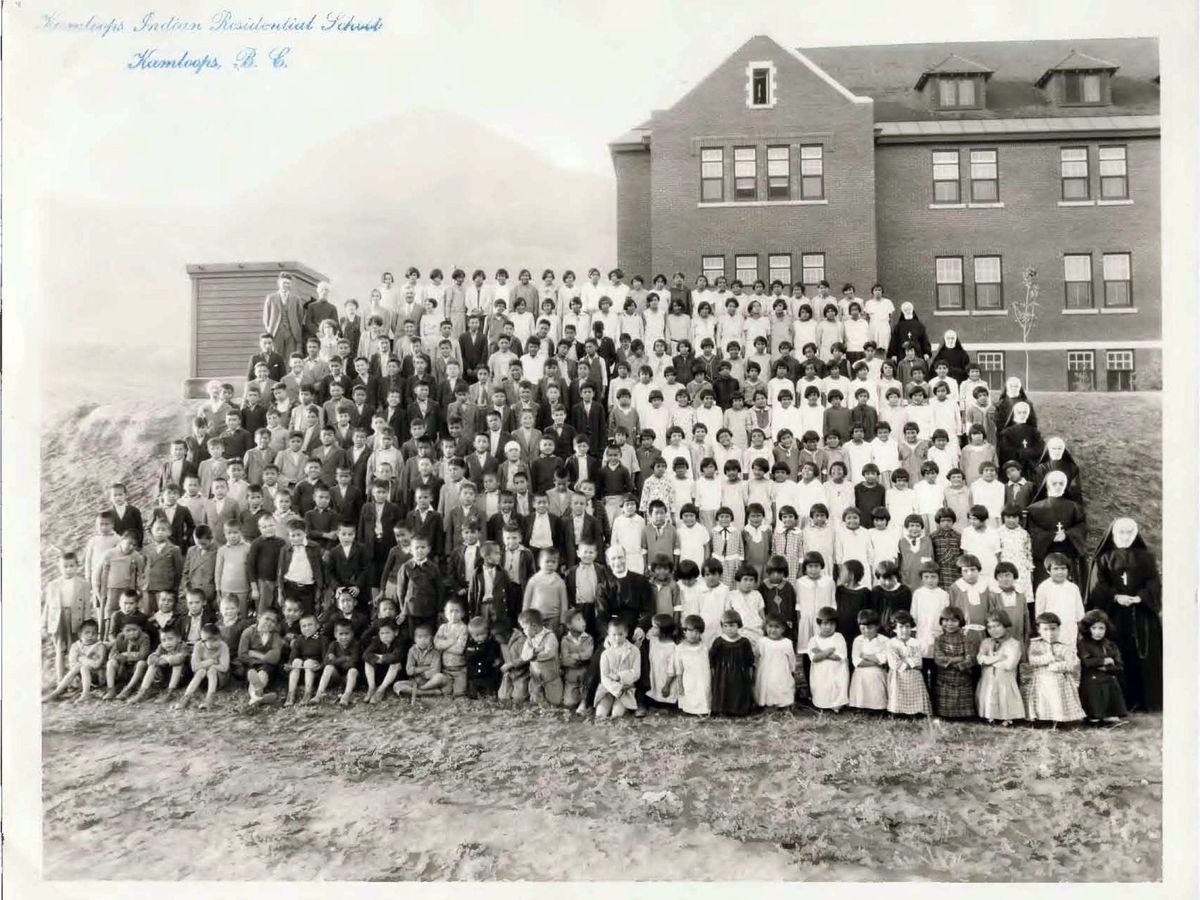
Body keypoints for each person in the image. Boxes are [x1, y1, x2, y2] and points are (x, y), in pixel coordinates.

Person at [1085, 517, 1161, 712]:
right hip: (1114, 614)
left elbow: (1153, 582)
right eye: (1121, 532)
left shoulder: (1146, 557)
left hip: (1140, 615)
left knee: (1140, 655)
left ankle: (1144, 701)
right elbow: (1098, 585)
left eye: (1129, 532)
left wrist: (1139, 598)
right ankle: (1119, 702)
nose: (1125, 536)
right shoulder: (1104, 557)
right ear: (1113, 534)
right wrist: (1116, 597)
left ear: (1135, 534)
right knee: (1117, 654)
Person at [1026, 471, 1087, 589]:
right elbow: (1031, 529)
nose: (1058, 486)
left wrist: (1068, 534)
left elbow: (1082, 526)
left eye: (1061, 483)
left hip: (1067, 550)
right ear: (1048, 485)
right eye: (1054, 483)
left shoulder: (1075, 507)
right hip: (1044, 552)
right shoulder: (1034, 509)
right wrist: (1050, 536)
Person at [1024, 612, 1085, 724]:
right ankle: (1042, 718)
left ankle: (1059, 719)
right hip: (1042, 678)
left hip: (1060, 679)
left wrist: (1057, 666)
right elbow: (1032, 660)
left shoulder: (1064, 646)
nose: (1050, 633)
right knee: (1043, 699)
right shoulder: (1035, 644)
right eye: (1045, 629)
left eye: (1053, 629)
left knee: (1057, 698)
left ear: (1058, 629)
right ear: (1039, 630)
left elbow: (1071, 664)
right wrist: (1049, 658)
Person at [1077, 609, 1129, 725]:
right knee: (1094, 688)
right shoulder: (1083, 644)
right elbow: (1086, 662)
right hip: (1092, 681)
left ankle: (1109, 713)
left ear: (1106, 629)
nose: (1098, 632)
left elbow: (1119, 666)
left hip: (1108, 678)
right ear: (1088, 628)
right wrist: (1104, 660)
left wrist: (1107, 668)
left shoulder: (1110, 645)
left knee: (1111, 683)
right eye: (1094, 628)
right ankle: (1094, 714)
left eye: (1101, 628)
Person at [975, 610, 1024, 725]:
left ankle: (1007, 719)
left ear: (1005, 625)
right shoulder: (986, 642)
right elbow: (980, 659)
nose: (994, 630)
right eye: (990, 627)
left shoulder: (1013, 644)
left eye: (997, 626)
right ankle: (990, 717)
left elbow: (1009, 664)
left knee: (1004, 697)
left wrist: (989, 661)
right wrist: (998, 658)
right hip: (988, 679)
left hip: (1005, 680)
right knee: (989, 696)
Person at [43, 618, 107, 703]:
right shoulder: (76, 646)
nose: (90, 636)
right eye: (87, 633)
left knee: (84, 667)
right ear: (80, 634)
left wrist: (82, 658)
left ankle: (85, 694)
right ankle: (56, 692)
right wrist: (84, 662)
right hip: (79, 676)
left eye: (94, 633)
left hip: (97, 677)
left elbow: (97, 665)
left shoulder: (99, 646)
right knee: (79, 666)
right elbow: (73, 664)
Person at [709, 610, 755, 717]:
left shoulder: (744, 642)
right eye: (726, 626)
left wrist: (750, 674)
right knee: (723, 690)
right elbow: (712, 659)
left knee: (738, 690)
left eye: (732, 625)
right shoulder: (719, 641)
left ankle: (739, 710)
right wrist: (714, 673)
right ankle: (722, 709)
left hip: (739, 673)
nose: (729, 629)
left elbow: (749, 660)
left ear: (739, 625)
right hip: (722, 674)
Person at [932, 606, 975, 719]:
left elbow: (970, 658)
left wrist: (961, 664)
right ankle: (944, 715)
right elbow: (939, 658)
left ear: (960, 622)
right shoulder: (939, 639)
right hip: (944, 678)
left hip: (962, 677)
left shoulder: (965, 639)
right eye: (946, 620)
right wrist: (959, 658)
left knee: (962, 699)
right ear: (941, 621)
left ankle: (963, 715)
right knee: (944, 704)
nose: (949, 624)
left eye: (954, 620)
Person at [885, 610, 931, 717]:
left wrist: (905, 661)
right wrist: (909, 662)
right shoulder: (891, 643)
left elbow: (919, 661)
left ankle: (915, 712)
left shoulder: (915, 642)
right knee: (898, 693)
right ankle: (898, 712)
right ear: (895, 628)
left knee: (915, 691)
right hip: (898, 675)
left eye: (907, 626)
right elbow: (894, 663)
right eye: (901, 627)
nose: (905, 630)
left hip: (914, 675)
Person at [594, 618, 641, 718]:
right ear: (608, 634)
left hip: (626, 689)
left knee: (617, 714)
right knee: (600, 714)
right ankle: (607, 702)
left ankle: (620, 706)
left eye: (620, 634)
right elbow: (604, 677)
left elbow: (636, 673)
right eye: (614, 635)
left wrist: (619, 677)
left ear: (626, 633)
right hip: (607, 689)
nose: (617, 638)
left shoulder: (634, 650)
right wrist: (616, 689)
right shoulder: (605, 653)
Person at [238, 608, 283, 706]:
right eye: (267, 619)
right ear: (258, 618)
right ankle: (258, 697)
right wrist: (264, 658)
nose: (269, 623)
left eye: (273, 621)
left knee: (263, 672)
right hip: (251, 664)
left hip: (267, 666)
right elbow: (242, 655)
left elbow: (275, 658)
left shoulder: (275, 636)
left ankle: (255, 698)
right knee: (252, 674)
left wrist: (256, 654)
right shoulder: (248, 632)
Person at [807, 607, 849, 711]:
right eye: (825, 624)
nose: (828, 627)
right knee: (822, 687)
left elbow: (839, 656)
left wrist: (821, 652)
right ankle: (822, 703)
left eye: (832, 624)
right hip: (820, 672)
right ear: (819, 624)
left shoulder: (838, 637)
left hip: (837, 671)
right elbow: (814, 658)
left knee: (836, 686)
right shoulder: (813, 640)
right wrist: (829, 651)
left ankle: (837, 704)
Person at [849, 608, 889, 712]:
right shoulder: (858, 640)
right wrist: (876, 661)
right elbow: (857, 662)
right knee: (861, 674)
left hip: (878, 672)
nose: (866, 631)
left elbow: (884, 659)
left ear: (877, 626)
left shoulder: (884, 640)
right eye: (863, 628)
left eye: (870, 628)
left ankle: (878, 706)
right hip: (862, 670)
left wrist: (866, 655)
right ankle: (860, 705)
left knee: (876, 675)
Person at [395, 623, 448, 699]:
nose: (423, 640)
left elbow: (435, 670)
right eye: (419, 637)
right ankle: (430, 692)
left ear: (431, 638)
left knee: (440, 677)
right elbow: (409, 671)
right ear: (415, 639)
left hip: (431, 681)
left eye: (426, 637)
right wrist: (426, 668)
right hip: (416, 681)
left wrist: (418, 671)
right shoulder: (412, 651)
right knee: (397, 685)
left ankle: (421, 690)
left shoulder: (435, 652)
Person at [753, 615, 796, 709]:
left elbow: (791, 658)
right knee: (767, 686)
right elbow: (756, 655)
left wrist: (792, 669)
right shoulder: (762, 642)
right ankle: (766, 703)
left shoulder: (787, 643)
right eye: (770, 626)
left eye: (777, 627)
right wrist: (757, 668)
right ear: (765, 627)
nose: (773, 630)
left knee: (781, 686)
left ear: (783, 629)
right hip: (765, 670)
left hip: (781, 670)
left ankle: (783, 703)